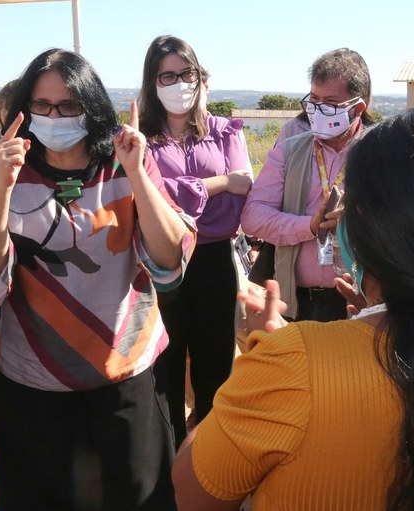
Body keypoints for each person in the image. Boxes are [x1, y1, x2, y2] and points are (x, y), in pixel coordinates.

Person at [174, 108, 414, 510]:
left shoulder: (290, 362)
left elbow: (193, 493)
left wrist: (266, 360)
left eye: (349, 200)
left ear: (367, 225)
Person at [0, 48, 196, 510]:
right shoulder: (5, 167)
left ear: (90, 107)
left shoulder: (126, 155)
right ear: (24, 108)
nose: (54, 116)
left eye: (69, 105)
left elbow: (168, 259)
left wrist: (137, 172)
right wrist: (2, 188)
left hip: (124, 378)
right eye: (42, 105)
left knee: (139, 499)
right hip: (33, 386)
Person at [138, 35, 253, 449]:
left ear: (199, 77)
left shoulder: (226, 133)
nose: (177, 83)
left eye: (185, 74)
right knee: (165, 370)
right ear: (152, 83)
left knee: (215, 368)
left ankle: (209, 461)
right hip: (161, 264)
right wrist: (220, 183)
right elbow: (150, 196)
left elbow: (242, 201)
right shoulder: (142, 139)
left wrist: (174, 195)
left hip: (214, 261)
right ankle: (168, 467)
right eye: (166, 76)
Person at [241, 48, 375, 321]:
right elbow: (252, 218)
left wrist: (358, 221)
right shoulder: (290, 151)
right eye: (314, 100)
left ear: (357, 108)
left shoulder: (384, 152)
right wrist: (309, 227)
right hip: (297, 303)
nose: (317, 110)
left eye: (330, 103)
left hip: (360, 304)